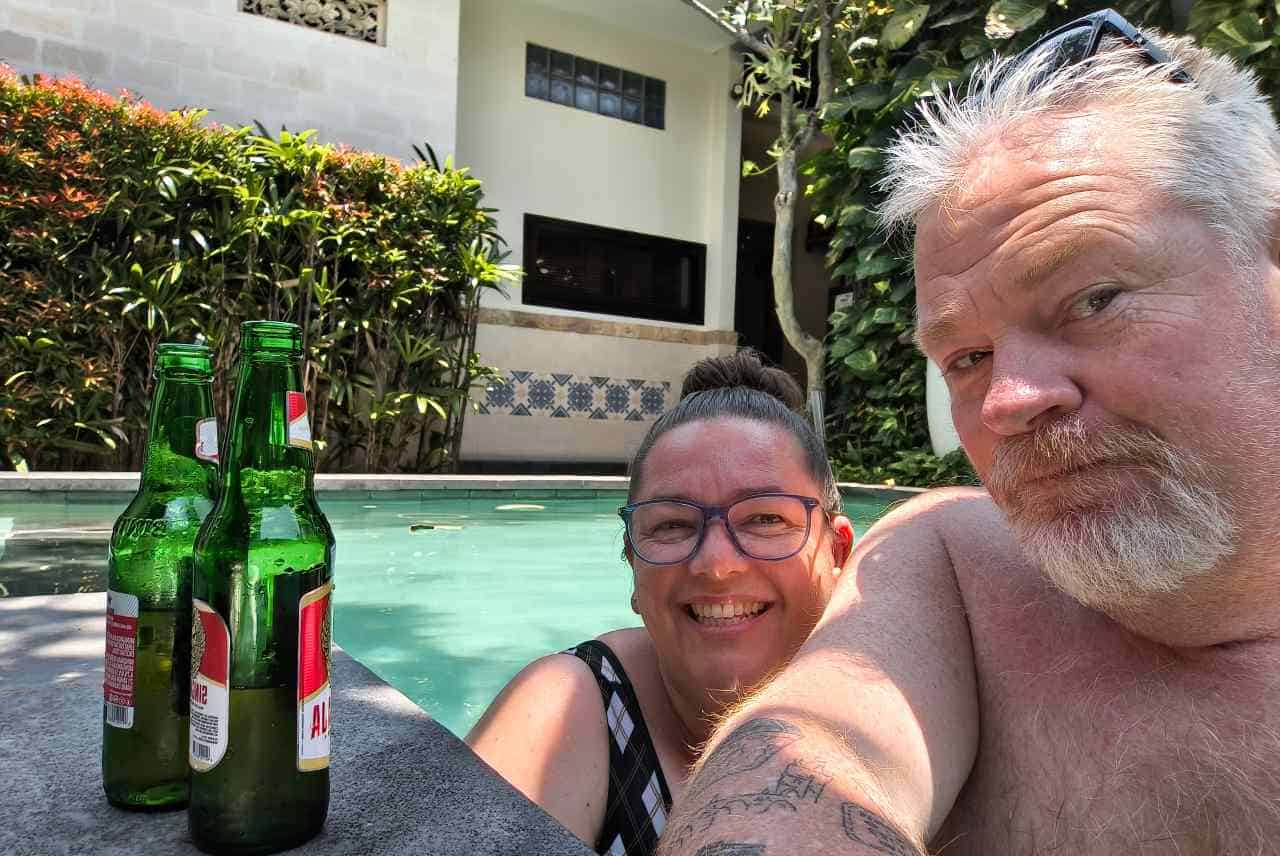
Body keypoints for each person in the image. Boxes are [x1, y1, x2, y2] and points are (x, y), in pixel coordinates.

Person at [659, 11, 1280, 856]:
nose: (1006, 402)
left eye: (1093, 298)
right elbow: (822, 747)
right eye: (967, 357)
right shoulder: (955, 564)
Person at [466, 350, 855, 856]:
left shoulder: (913, 709)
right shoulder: (569, 706)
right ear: (633, 566)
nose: (717, 566)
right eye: (672, 524)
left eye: (765, 519)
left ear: (838, 553)